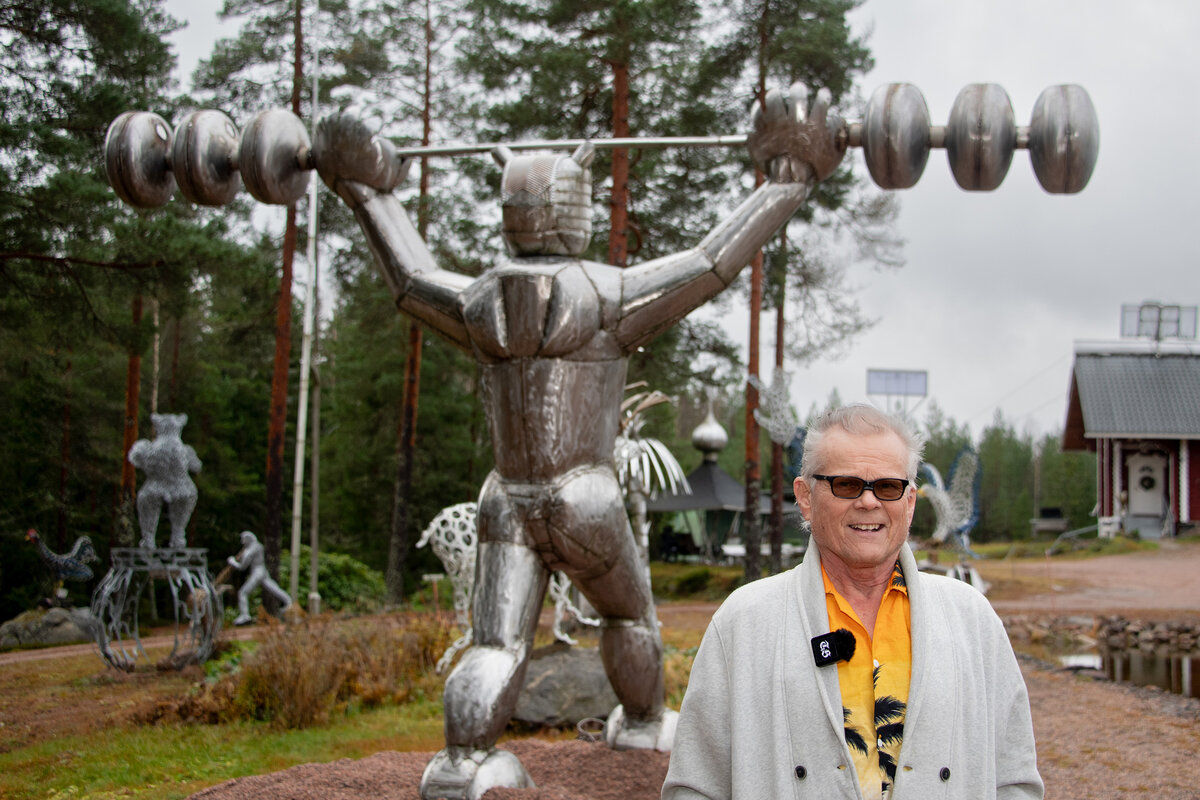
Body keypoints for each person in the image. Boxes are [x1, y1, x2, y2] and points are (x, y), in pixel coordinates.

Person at [312, 83, 846, 800]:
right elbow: (713, 262)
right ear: (574, 210)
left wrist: (366, 195)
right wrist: (790, 183)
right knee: (628, 613)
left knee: (498, 641)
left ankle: (465, 762)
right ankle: (643, 717)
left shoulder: (477, 301)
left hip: (506, 501)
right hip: (585, 499)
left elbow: (408, 278)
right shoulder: (607, 298)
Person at [662, 405, 1042, 799]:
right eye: (846, 484)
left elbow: (1015, 780)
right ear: (805, 497)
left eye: (888, 487)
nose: (868, 502)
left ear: (910, 502)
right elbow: (695, 787)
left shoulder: (972, 619)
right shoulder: (743, 624)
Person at [227, 530, 292, 625]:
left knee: (243, 592)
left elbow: (242, 567)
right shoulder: (258, 546)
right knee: (273, 588)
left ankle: (245, 615)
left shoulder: (250, 550)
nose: (242, 542)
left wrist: (232, 561)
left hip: (257, 573)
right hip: (262, 571)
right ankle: (288, 601)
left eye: (243, 540)